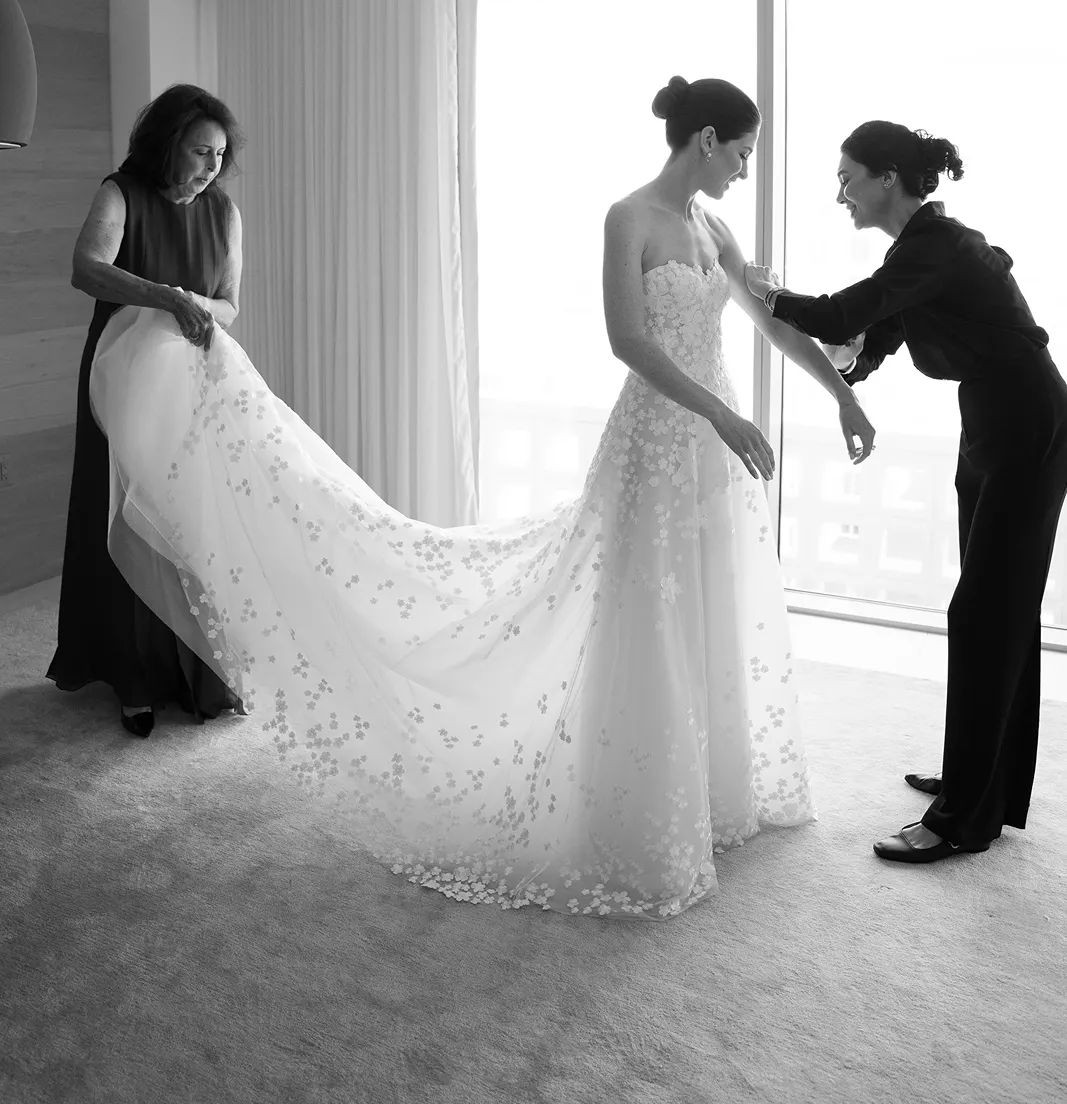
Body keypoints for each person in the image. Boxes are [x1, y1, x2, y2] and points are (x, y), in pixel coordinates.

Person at [87, 76, 875, 917]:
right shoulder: (630, 218)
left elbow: (774, 320)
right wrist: (721, 411)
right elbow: (628, 340)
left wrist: (842, 394)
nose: (746, 173)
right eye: (744, 154)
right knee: (647, 611)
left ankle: (714, 792)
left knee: (709, 604)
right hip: (662, 434)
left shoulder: (714, 227)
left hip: (715, 452)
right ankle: (641, 801)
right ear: (708, 141)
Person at [745, 120, 1067, 864]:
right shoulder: (920, 254)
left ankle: (964, 821)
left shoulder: (936, 248)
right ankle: (978, 781)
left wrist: (761, 290)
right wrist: (847, 379)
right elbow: (876, 336)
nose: (839, 194)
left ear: (887, 177)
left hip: (1024, 418)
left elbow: (836, 313)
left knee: (987, 609)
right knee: (995, 605)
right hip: (992, 418)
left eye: (847, 178)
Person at [47, 84, 246, 736]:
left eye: (219, 154)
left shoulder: (223, 213)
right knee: (125, 519)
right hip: (120, 382)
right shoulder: (120, 193)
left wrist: (193, 306)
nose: (212, 165)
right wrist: (169, 297)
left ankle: (203, 669)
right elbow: (86, 268)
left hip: (191, 388)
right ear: (168, 143)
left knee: (193, 522)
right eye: (200, 151)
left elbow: (227, 305)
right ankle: (132, 679)